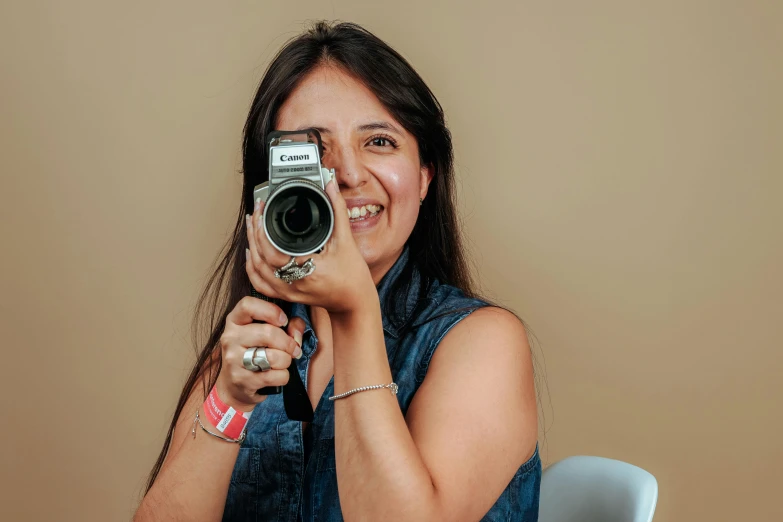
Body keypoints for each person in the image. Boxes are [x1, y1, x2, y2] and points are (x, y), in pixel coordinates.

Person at [135, 21, 540, 522]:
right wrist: (228, 400)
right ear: (270, 188)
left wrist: (354, 313)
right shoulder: (252, 340)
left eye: (380, 142)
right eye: (312, 150)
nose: (346, 174)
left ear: (424, 176)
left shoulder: (483, 343)